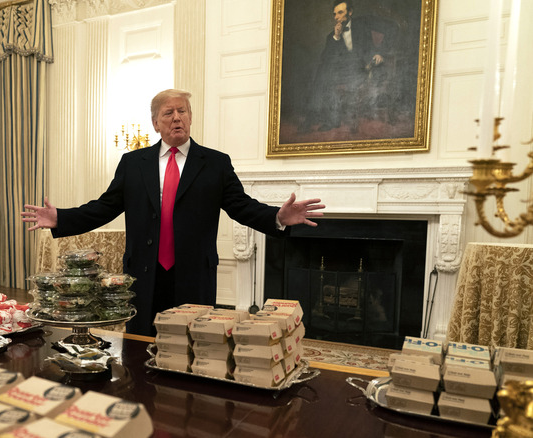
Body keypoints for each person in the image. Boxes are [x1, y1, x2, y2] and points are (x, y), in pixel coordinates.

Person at [22, 89, 325, 335]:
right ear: (155, 123)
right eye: (169, 113)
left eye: (183, 111)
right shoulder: (133, 163)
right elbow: (104, 207)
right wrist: (61, 218)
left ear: (190, 118)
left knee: (192, 343)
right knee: (141, 343)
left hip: (193, 273)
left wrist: (277, 218)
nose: (177, 118)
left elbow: (241, 206)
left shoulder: (215, 163)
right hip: (144, 272)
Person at [300, 0, 397, 134]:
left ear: (350, 12)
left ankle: (312, 119)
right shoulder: (332, 36)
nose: (337, 17)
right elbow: (325, 59)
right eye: (335, 14)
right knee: (324, 70)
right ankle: (328, 119)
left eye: (340, 12)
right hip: (344, 72)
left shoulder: (363, 23)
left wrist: (380, 52)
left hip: (364, 69)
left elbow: (393, 27)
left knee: (324, 73)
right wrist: (337, 37)